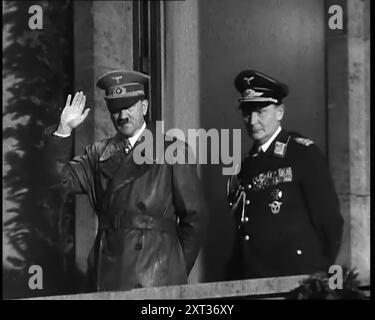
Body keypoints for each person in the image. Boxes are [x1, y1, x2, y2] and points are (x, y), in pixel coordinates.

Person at [42, 70, 208, 292]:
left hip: (155, 277)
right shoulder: (97, 155)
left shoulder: (172, 151)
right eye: (116, 109)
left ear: (145, 107)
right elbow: (58, 183)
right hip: (108, 274)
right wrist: (64, 130)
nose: (122, 116)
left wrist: (174, 270)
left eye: (129, 106)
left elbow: (195, 218)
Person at [226, 69, 343, 279]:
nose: (252, 121)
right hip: (255, 280)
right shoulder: (245, 166)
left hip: (296, 279)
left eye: (261, 112)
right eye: (246, 112)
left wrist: (318, 277)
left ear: (280, 112)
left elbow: (330, 222)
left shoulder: (303, 154)